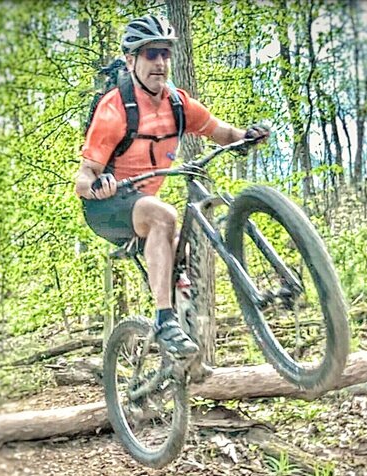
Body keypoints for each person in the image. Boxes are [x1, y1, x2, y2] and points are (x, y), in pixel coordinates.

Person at [75, 14, 269, 358]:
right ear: (131, 60)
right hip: (105, 207)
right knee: (164, 216)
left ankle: (182, 344)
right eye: (150, 54)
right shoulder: (115, 109)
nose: (160, 63)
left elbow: (222, 133)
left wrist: (246, 136)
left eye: (165, 54)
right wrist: (98, 185)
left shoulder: (178, 103)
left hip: (142, 206)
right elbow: (83, 179)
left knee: (183, 246)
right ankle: (164, 319)